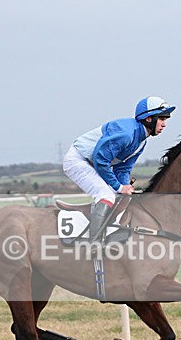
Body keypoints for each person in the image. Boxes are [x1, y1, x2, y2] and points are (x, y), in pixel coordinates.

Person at [62, 96, 175, 241]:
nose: (164, 124)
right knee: (107, 196)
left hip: (92, 164)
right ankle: (94, 242)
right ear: (149, 119)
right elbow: (101, 160)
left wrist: (124, 186)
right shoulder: (127, 134)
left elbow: (122, 169)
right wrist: (118, 186)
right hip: (78, 160)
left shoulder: (141, 141)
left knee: (122, 197)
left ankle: (109, 234)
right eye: (162, 119)